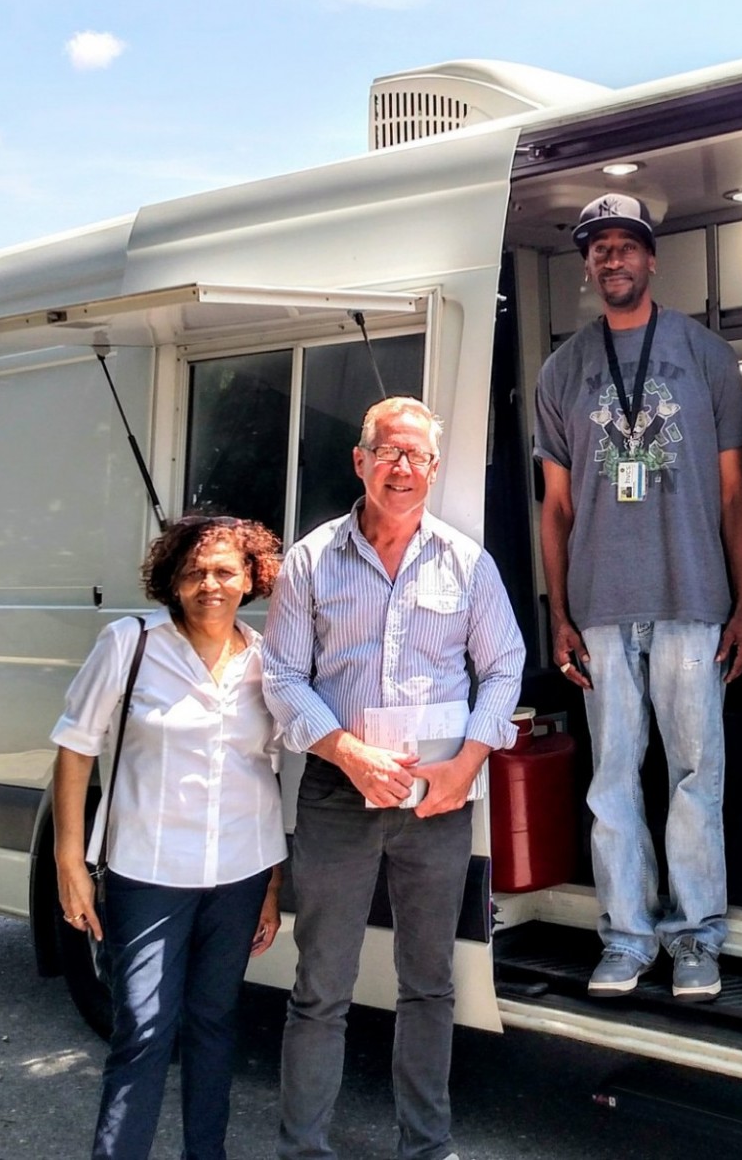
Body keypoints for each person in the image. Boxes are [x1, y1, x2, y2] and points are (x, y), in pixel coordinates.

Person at [264, 395, 524, 1160]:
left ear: (436, 470)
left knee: (430, 984)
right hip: (339, 796)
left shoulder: (467, 563)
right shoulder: (312, 560)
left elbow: (503, 669)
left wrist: (467, 766)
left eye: (418, 458)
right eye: (390, 454)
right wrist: (347, 751)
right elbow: (281, 675)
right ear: (362, 461)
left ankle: (426, 1144)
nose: (403, 470)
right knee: (322, 989)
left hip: (436, 803)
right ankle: (302, 1148)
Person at [534, 193, 742, 1002]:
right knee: (613, 780)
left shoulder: (705, 356)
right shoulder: (562, 369)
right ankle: (628, 937)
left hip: (694, 596)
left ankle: (697, 936)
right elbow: (555, 507)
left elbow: (736, 495)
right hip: (598, 605)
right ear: (587, 264)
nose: (613, 259)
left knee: (698, 774)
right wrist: (557, 613)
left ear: (652, 258)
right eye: (599, 248)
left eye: (627, 245)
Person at [51, 514, 288, 1160]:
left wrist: (271, 884)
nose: (209, 584)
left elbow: (266, 774)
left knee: (215, 1026)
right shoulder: (129, 645)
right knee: (144, 1032)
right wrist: (69, 859)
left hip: (238, 875)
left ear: (250, 579)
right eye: (194, 572)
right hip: (148, 875)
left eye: (224, 571)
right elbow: (74, 749)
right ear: (172, 582)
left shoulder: (268, 662)